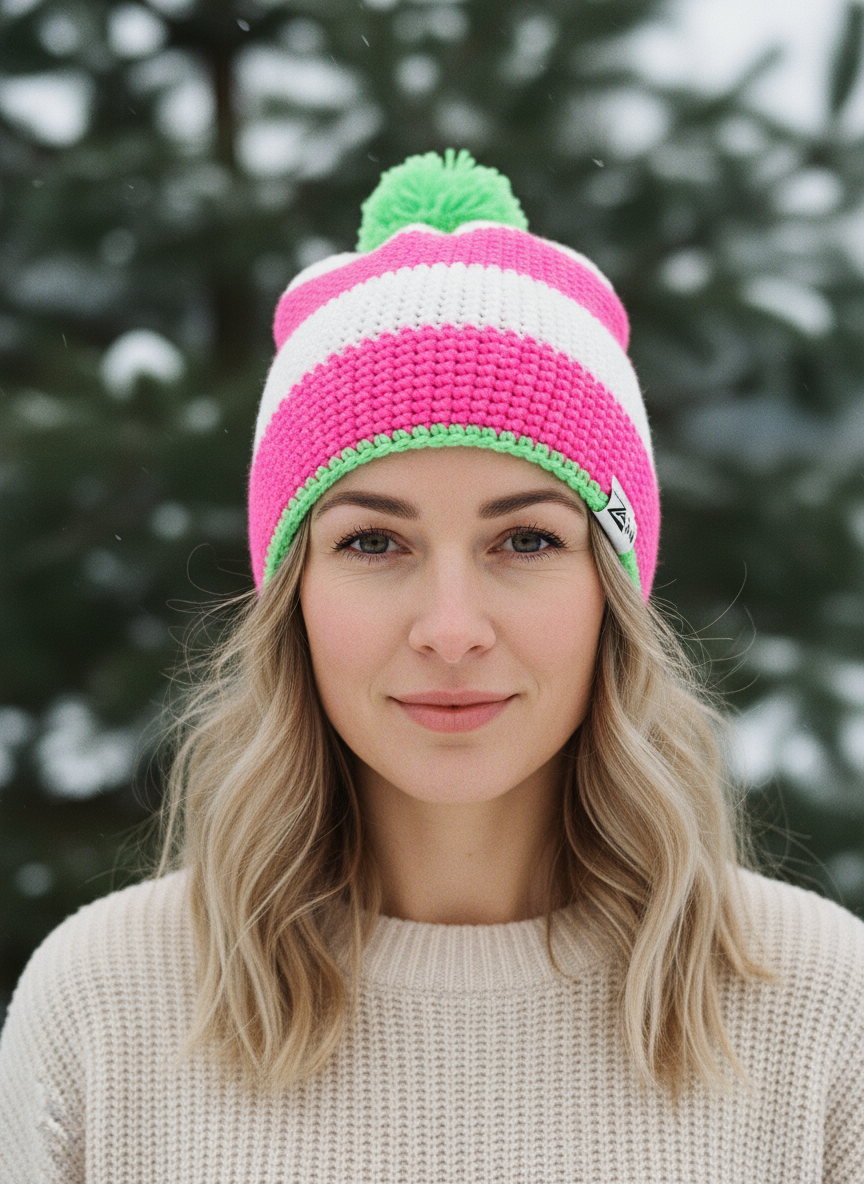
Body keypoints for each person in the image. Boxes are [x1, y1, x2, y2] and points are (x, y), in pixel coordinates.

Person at [1, 148, 862, 1183]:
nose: (451, 628)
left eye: (527, 540)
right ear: (295, 595)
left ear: (612, 594)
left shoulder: (821, 1007)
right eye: (374, 541)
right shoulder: (103, 1005)